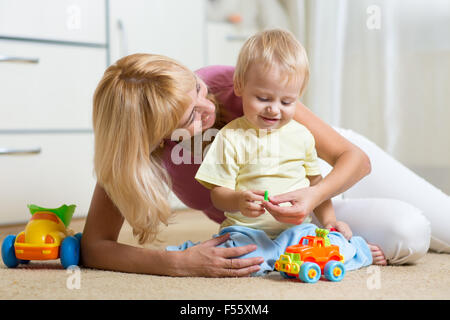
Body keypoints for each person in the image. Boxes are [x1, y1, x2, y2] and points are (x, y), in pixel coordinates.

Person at [81, 37, 442, 278]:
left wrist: (314, 198)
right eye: (189, 118)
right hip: (283, 224)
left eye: (197, 89)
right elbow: (95, 248)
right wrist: (178, 262)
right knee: (407, 232)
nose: (208, 107)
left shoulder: (231, 84)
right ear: (152, 138)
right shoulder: (137, 153)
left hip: (327, 172)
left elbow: (353, 159)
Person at [166, 29, 373, 276]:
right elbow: (217, 194)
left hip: (296, 231)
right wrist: (239, 200)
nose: (274, 109)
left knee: (332, 247)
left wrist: (329, 222)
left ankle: (358, 248)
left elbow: (315, 182)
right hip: (248, 232)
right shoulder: (228, 137)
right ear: (239, 85)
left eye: (286, 102)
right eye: (263, 98)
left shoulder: (302, 135)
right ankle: (189, 251)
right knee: (237, 259)